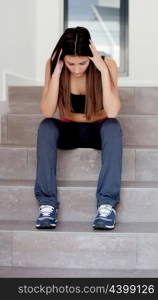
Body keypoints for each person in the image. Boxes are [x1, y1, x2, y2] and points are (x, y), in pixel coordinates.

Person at [34, 26, 123, 230]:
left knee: (112, 126)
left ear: (91, 55)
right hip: (69, 131)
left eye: (82, 63)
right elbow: (48, 111)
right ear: (63, 58)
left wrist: (101, 70)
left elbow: (111, 111)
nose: (76, 69)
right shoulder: (53, 65)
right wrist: (56, 73)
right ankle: (47, 204)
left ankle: (106, 205)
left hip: (98, 131)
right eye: (70, 63)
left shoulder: (107, 65)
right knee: (46, 126)